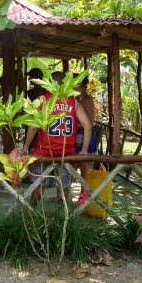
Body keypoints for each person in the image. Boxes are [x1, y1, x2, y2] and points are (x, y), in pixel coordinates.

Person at [21, 71, 92, 204]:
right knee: (64, 185)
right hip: (66, 153)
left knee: (39, 185)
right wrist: (84, 150)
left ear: (49, 84)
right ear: (65, 84)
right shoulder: (73, 101)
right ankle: (62, 212)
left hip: (44, 152)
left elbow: (33, 127)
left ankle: (33, 209)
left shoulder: (43, 100)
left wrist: (25, 147)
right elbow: (88, 126)